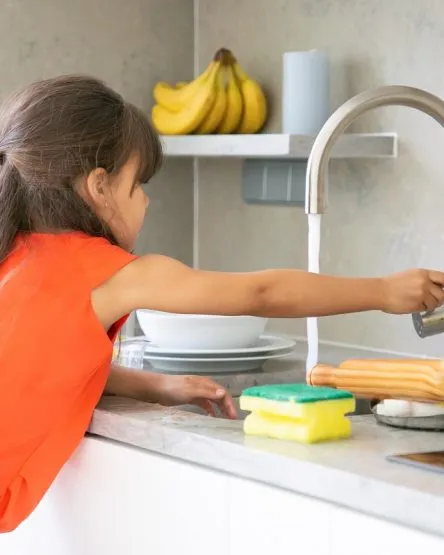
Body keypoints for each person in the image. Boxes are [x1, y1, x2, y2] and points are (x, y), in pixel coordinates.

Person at [0, 75, 443, 533]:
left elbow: (41, 365)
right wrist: (383, 291)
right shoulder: (108, 273)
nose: (146, 200)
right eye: (138, 184)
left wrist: (157, 387)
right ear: (99, 186)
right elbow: (261, 293)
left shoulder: (15, 257)